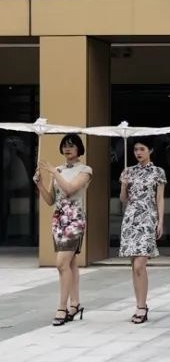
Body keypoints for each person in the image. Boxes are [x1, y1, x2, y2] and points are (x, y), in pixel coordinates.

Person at [33, 134, 92, 326]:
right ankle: (75, 304)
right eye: (65, 146)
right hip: (59, 220)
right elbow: (51, 200)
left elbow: (70, 189)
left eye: (72, 146)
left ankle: (62, 307)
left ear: (79, 149)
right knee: (70, 263)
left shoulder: (85, 170)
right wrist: (40, 184)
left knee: (61, 263)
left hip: (75, 219)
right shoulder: (58, 170)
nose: (67, 149)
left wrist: (53, 172)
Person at [119, 137, 166, 324]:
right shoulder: (128, 171)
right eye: (136, 149)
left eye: (142, 149)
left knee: (140, 264)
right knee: (134, 265)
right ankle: (140, 305)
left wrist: (160, 221)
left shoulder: (158, 172)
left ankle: (142, 306)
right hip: (131, 220)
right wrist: (124, 184)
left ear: (150, 150)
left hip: (148, 219)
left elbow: (160, 198)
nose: (138, 152)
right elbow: (123, 199)